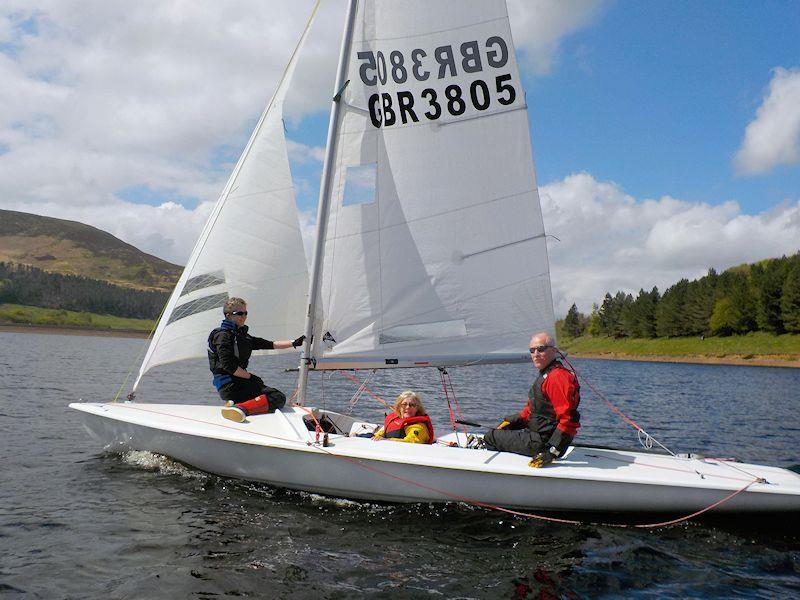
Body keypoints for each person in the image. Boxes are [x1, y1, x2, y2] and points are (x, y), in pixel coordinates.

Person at [483, 332, 580, 467]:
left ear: (553, 350)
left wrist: (552, 452)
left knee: (490, 437)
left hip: (542, 444)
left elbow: (569, 419)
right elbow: (532, 411)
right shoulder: (548, 374)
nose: (535, 354)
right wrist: (511, 421)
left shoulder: (557, 377)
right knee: (500, 432)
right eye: (532, 350)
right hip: (538, 437)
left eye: (541, 349)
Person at [208, 297, 305, 422]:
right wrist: (250, 377)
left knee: (268, 391)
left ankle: (235, 404)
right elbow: (229, 366)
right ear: (228, 315)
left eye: (245, 313)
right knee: (277, 397)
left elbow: (270, 344)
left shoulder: (242, 336)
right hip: (230, 385)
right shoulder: (222, 336)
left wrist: (295, 342)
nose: (244, 316)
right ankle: (241, 408)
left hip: (238, 383)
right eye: (240, 313)